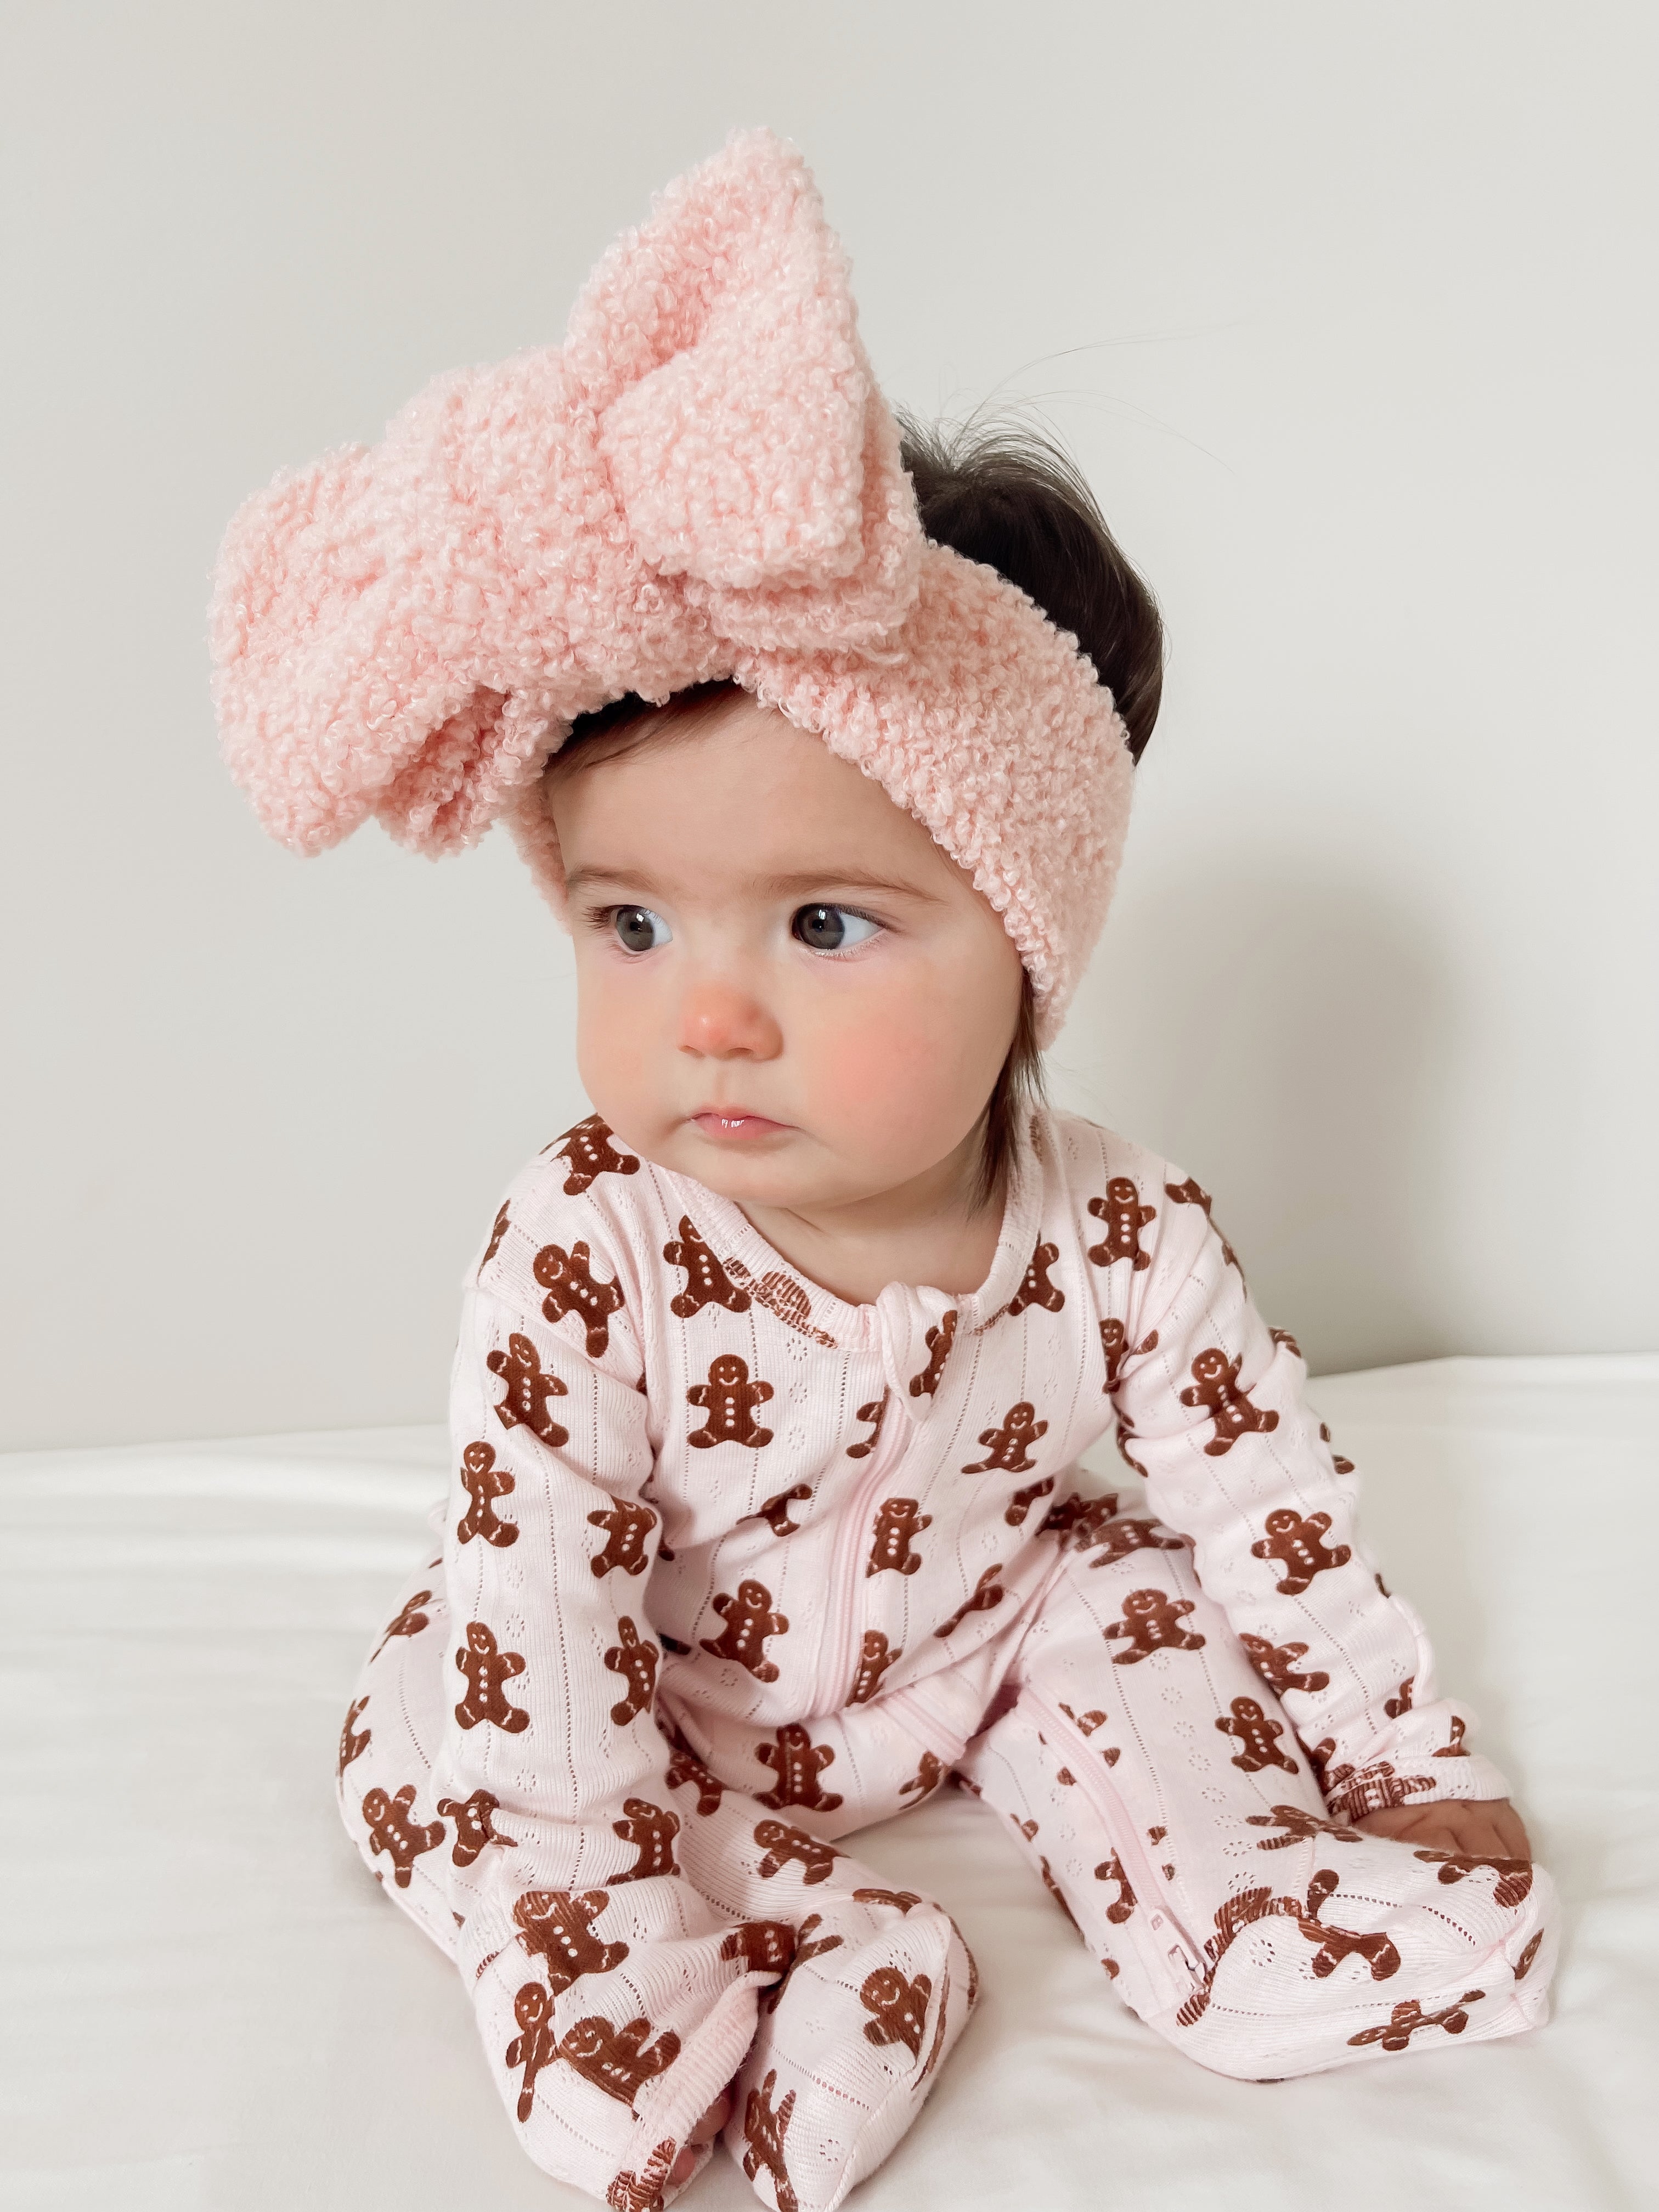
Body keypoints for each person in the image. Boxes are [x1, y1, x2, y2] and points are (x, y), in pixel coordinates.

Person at [210, 127, 1556, 2212]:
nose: (707, 1017)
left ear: (1026, 944)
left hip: (989, 1640)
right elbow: (553, 1613)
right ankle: (807, 1961)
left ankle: (1243, 1908)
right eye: (629, 925)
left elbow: (1269, 1505)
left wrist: (1400, 1757)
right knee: (432, 1732)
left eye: (823, 926)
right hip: (661, 1681)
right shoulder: (587, 1253)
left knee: (1144, 1609)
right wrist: (605, 1923)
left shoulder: (1113, 1227)